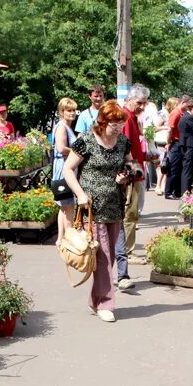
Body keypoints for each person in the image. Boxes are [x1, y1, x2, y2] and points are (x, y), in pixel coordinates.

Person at [62, 100, 136, 323]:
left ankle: (95, 300)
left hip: (115, 204)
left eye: (121, 124)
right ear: (103, 122)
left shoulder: (123, 142)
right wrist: (80, 194)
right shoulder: (86, 141)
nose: (118, 129)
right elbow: (68, 169)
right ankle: (106, 303)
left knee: (109, 256)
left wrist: (126, 175)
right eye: (114, 125)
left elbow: (132, 165)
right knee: (102, 257)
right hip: (92, 208)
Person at [115, 85, 149, 291]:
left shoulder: (130, 117)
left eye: (144, 103)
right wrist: (130, 173)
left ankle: (128, 250)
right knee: (130, 213)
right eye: (139, 103)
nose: (142, 107)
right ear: (130, 100)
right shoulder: (126, 118)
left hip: (134, 172)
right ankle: (127, 251)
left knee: (132, 213)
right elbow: (125, 149)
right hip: (130, 175)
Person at [51, 97, 79, 244]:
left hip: (63, 167)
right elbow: (61, 148)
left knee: (64, 206)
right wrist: (78, 152)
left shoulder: (64, 126)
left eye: (74, 110)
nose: (72, 113)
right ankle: (69, 237)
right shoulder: (62, 127)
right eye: (69, 110)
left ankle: (61, 238)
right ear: (62, 111)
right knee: (68, 206)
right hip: (64, 169)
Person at [164, 95, 191, 199]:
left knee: (179, 168)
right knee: (173, 168)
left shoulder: (182, 113)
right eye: (187, 105)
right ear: (182, 102)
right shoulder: (175, 113)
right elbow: (170, 130)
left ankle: (176, 191)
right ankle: (168, 192)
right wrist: (168, 142)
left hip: (181, 143)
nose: (188, 107)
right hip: (175, 143)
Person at [154, 98, 176, 196]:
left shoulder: (171, 114)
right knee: (163, 164)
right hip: (162, 142)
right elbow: (155, 127)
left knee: (167, 165)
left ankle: (163, 185)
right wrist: (166, 127)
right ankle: (158, 186)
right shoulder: (162, 114)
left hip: (169, 142)